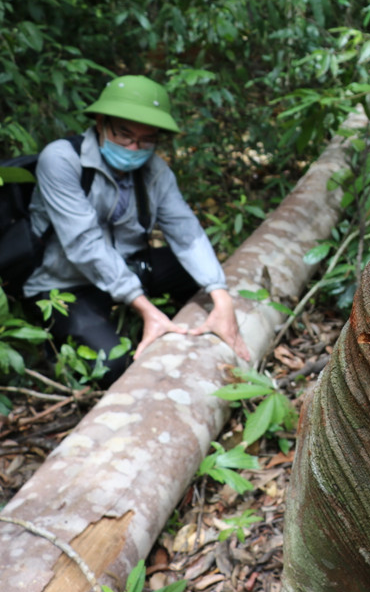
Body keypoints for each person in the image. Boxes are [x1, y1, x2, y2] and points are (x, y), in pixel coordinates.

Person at [24, 75, 250, 386]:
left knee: (198, 274)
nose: (134, 147)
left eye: (146, 140)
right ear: (101, 123)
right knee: (113, 363)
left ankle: (193, 322)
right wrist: (143, 306)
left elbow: (185, 230)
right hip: (65, 283)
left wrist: (220, 295)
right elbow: (84, 244)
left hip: (128, 266)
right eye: (124, 135)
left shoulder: (155, 171)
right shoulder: (61, 160)